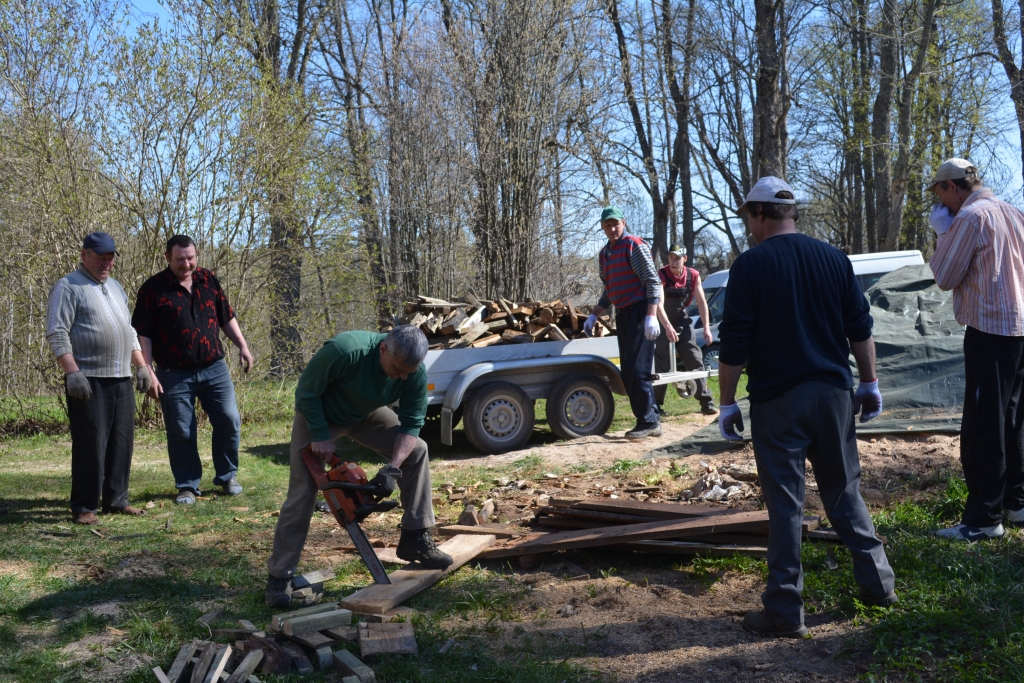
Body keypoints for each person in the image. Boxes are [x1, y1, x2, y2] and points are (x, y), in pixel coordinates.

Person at [717, 177, 896, 638]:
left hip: (778, 401)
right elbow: (860, 327)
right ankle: (879, 586)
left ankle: (784, 609)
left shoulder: (751, 266)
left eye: (748, 220)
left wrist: (725, 402)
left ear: (759, 215)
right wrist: (870, 382)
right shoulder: (835, 259)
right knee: (844, 491)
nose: (750, 228)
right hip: (834, 395)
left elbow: (734, 344)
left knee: (786, 504)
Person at [265, 326, 451, 607]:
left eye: (408, 372)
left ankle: (415, 535)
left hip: (364, 413)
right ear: (383, 349)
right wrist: (319, 435)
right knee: (303, 491)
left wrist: (393, 468)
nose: (402, 376)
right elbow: (306, 391)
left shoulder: (412, 372)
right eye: (398, 369)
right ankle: (280, 576)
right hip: (319, 413)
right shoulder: (345, 351)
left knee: (418, 451)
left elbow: (412, 424)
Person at [928, 158, 1024, 542]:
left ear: (953, 187)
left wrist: (942, 234)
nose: (940, 205)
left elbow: (944, 276)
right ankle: (1016, 503)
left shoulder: (969, 218)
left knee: (984, 425)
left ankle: (984, 519)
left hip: (989, 330)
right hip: (1019, 328)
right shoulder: (1014, 213)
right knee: (1013, 421)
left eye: (939, 194)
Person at [131, 235, 253, 505]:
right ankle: (187, 485)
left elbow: (226, 316)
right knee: (181, 430)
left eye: (190, 258)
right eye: (180, 259)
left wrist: (242, 346)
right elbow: (143, 333)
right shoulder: (152, 289)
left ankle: (227, 476)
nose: (186, 264)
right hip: (173, 373)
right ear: (167, 258)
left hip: (214, 368)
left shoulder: (208, 279)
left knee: (229, 419)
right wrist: (147, 369)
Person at [45, 232, 152, 524]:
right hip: (88, 379)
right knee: (91, 444)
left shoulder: (115, 287)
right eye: (101, 256)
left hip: (121, 377)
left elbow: (128, 330)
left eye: (110, 257)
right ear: (84, 254)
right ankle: (84, 506)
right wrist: (72, 372)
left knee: (121, 442)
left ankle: (117, 500)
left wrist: (141, 365)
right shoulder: (68, 287)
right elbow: (57, 331)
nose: (107, 262)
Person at [584, 206, 677, 440]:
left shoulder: (634, 245)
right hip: (623, 314)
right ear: (602, 227)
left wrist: (651, 315)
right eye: (607, 225)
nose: (612, 228)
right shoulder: (604, 254)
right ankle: (649, 417)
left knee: (638, 370)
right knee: (628, 372)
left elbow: (652, 282)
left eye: (616, 223)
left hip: (640, 312)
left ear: (623, 222)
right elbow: (609, 291)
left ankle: (649, 422)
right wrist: (595, 314)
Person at [654, 243, 718, 416]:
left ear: (685, 259)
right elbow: (658, 304)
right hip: (662, 321)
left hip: (683, 320)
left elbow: (702, 303)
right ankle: (656, 406)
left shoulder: (693, 275)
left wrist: (706, 328)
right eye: (670, 258)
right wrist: (667, 327)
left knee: (694, 358)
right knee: (663, 363)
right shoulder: (661, 274)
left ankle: (707, 402)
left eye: (677, 258)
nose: (673, 262)